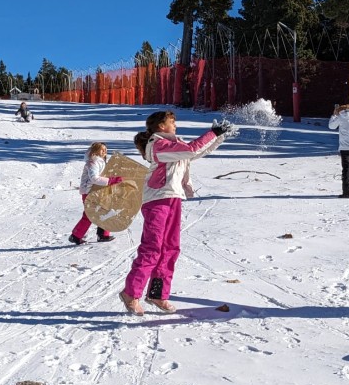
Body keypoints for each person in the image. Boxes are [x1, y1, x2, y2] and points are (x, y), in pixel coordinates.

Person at [121, 110, 233, 315]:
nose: (175, 124)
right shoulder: (158, 144)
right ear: (161, 127)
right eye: (172, 122)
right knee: (152, 247)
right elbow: (191, 149)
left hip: (173, 198)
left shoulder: (175, 144)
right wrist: (212, 132)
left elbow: (197, 153)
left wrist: (219, 136)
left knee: (170, 248)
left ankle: (157, 293)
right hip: (157, 200)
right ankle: (131, 293)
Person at [69, 142, 125, 245]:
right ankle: (76, 236)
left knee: (104, 211)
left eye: (105, 150)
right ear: (95, 151)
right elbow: (94, 178)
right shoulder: (93, 162)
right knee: (91, 214)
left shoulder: (101, 161)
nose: (104, 151)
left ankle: (102, 234)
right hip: (89, 192)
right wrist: (110, 180)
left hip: (97, 192)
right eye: (101, 149)